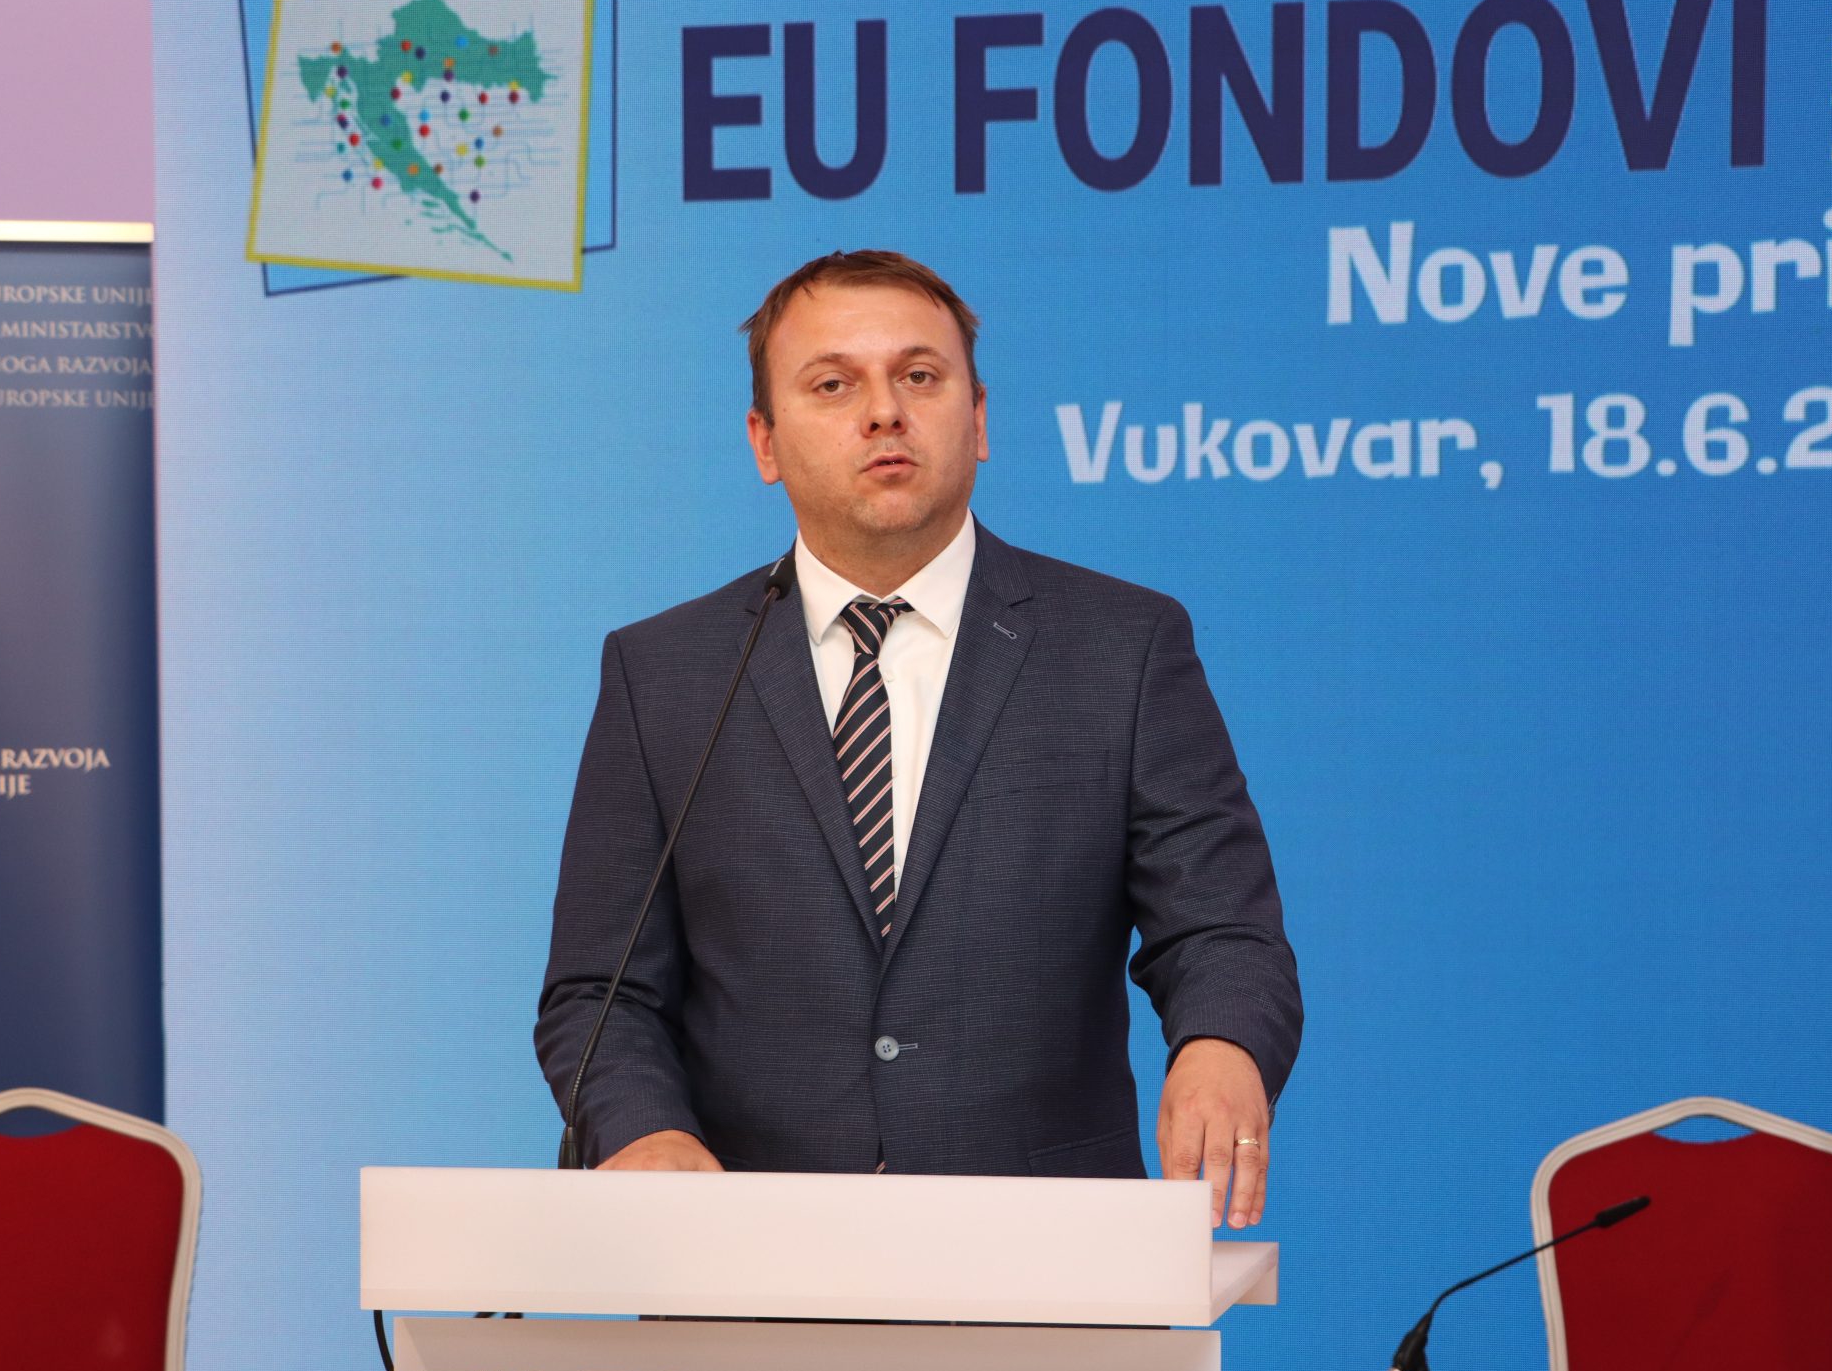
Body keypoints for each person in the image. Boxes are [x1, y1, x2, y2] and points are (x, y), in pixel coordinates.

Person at [533, 250, 1301, 1227]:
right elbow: (599, 993)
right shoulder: (665, 674)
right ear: (764, 442)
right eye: (833, 384)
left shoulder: (1122, 647)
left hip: (1047, 1256)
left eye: (920, 376)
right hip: (747, 1261)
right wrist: (643, 1131)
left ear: (977, 420)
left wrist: (1221, 1046)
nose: (884, 412)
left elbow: (1222, 931)